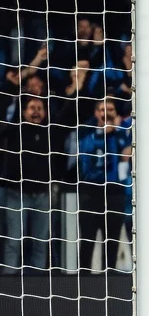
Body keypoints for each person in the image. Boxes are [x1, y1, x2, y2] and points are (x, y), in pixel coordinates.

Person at [1, 96, 60, 272]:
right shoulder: (14, 130)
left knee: (40, 244)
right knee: (13, 242)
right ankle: (8, 287)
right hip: (16, 195)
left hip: (42, 196)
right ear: (23, 111)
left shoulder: (50, 132)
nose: (36, 111)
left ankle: (39, 289)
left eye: (40, 108)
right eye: (32, 107)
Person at [74, 98, 132, 273]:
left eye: (111, 109)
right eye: (102, 109)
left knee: (112, 243)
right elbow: (84, 162)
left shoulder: (123, 135)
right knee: (87, 241)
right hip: (91, 194)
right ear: (96, 113)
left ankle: (111, 286)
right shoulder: (86, 133)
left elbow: (126, 158)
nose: (107, 112)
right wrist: (103, 133)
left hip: (115, 194)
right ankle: (83, 285)